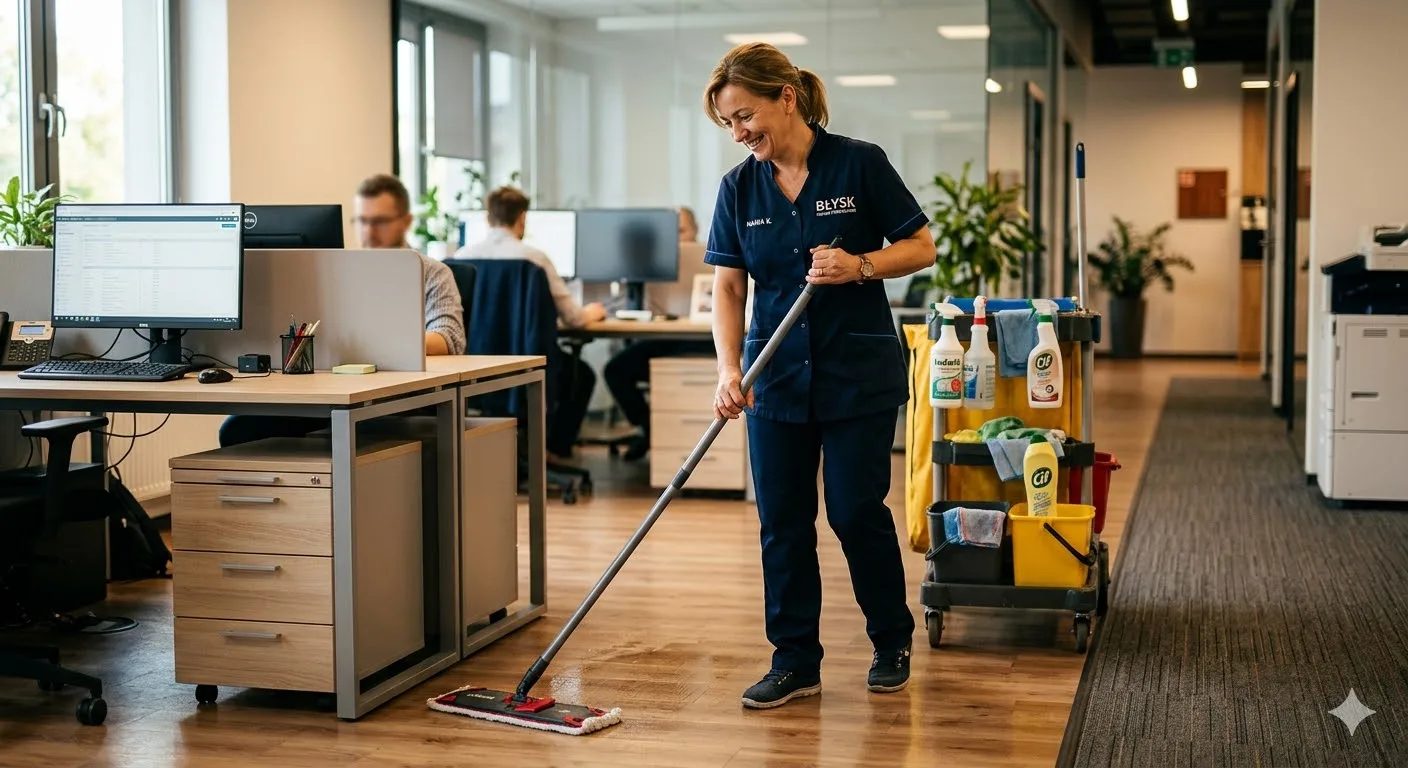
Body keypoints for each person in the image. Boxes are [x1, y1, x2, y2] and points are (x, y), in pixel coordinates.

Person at [701, 42, 935, 709]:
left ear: (787, 97)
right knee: (782, 519)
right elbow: (727, 289)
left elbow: (921, 246)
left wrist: (860, 265)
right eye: (729, 124)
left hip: (855, 371)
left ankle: (891, 639)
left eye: (746, 116)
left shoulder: (859, 164)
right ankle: (795, 660)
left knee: (856, 511)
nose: (741, 133)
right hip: (775, 378)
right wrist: (728, 369)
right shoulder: (738, 188)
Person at [216, 173, 466, 448]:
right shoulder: (337, 270)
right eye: (362, 221)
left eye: (380, 221)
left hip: (394, 393)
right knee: (238, 430)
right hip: (330, 387)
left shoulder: (432, 272)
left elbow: (448, 339)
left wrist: (378, 343)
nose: (369, 231)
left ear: (405, 221)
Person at [454, 185, 604, 460]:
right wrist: (595, 311)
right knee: (582, 375)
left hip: (471, 366)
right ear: (522, 218)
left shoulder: (461, 257)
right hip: (525, 366)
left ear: (488, 218)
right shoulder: (533, 259)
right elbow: (574, 318)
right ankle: (553, 450)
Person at [602, 206, 716, 460]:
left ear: (696, 230)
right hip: (661, 339)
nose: (675, 239)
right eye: (669, 233)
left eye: (681, 230)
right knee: (616, 370)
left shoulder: (711, 257)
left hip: (703, 341)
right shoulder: (651, 263)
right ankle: (651, 429)